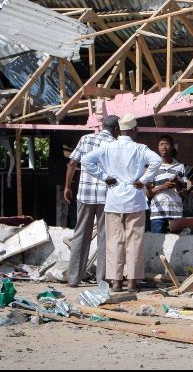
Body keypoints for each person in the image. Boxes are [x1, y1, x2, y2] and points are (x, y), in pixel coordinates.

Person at [82, 114, 162, 292]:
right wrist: (144, 179)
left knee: (114, 241)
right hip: (135, 200)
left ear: (119, 130)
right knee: (134, 241)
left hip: (114, 200)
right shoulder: (140, 148)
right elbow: (157, 161)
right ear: (134, 130)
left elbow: (86, 160)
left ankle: (117, 283)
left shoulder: (108, 147)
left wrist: (104, 177)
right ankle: (132, 283)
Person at [63, 115, 119, 288]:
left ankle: (73, 279)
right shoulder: (115, 145)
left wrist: (67, 187)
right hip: (107, 197)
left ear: (102, 126)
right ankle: (102, 281)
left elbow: (72, 163)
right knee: (105, 238)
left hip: (85, 195)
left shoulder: (85, 139)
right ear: (116, 129)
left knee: (80, 235)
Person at [147, 135, 188, 234]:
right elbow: (148, 193)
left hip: (176, 214)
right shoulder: (152, 167)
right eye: (161, 144)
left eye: (167, 144)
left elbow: (185, 194)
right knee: (156, 245)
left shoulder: (180, 167)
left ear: (172, 147)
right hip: (158, 214)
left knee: (177, 246)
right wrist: (163, 186)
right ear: (158, 147)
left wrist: (177, 184)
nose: (164, 147)